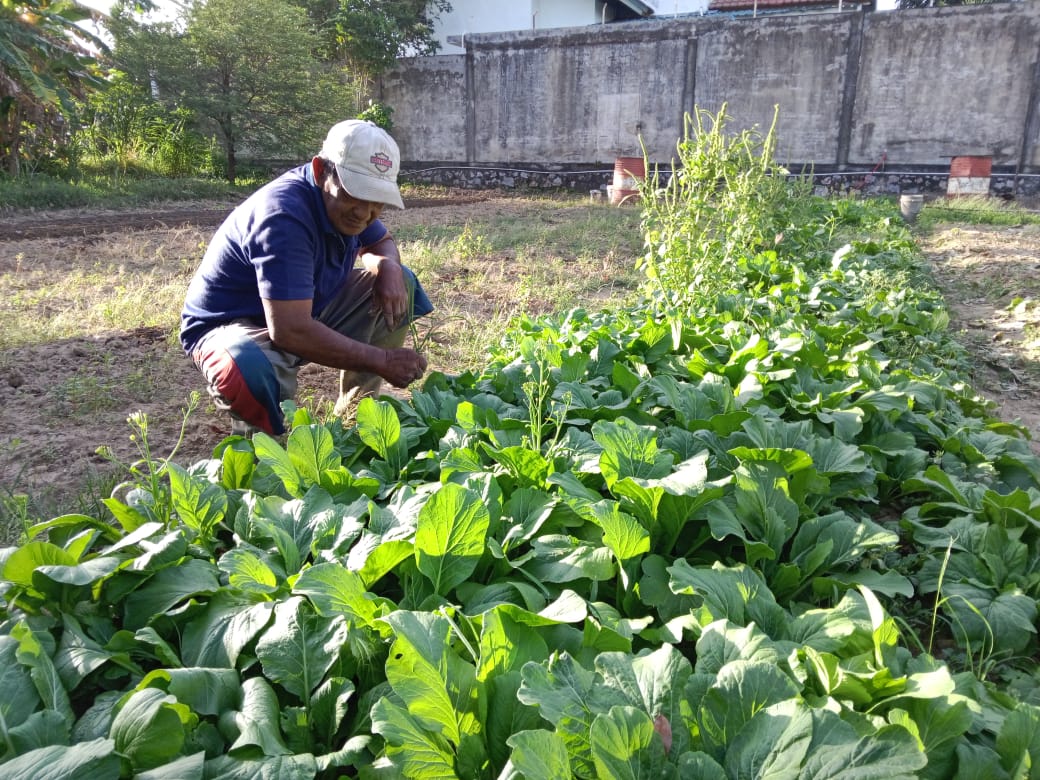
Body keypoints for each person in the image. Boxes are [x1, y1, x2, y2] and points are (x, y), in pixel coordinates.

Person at [179, 119, 432, 437]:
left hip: (300, 307)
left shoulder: (347, 205)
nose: (364, 212)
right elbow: (290, 330)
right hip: (232, 326)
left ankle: (357, 418)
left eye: (376, 200)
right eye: (355, 193)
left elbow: (381, 242)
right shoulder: (283, 217)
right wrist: (382, 360)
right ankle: (263, 448)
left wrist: (388, 267)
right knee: (247, 368)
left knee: (400, 281)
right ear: (320, 171)